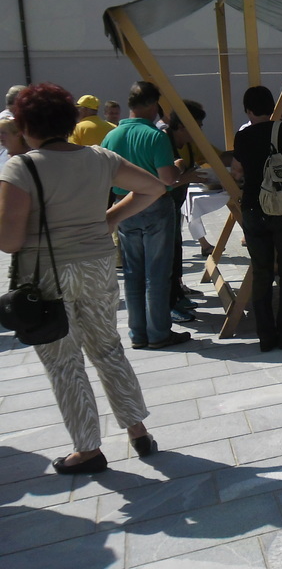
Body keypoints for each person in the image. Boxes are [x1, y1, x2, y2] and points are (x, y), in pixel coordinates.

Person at [0, 82, 166, 474]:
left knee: (64, 362)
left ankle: (88, 448)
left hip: (46, 275)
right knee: (107, 348)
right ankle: (138, 429)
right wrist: (109, 219)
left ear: (26, 125)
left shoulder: (21, 168)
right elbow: (154, 188)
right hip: (97, 264)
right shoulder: (99, 157)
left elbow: (9, 242)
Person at [102, 81, 192, 350]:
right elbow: (167, 179)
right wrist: (178, 166)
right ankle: (158, 333)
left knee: (133, 273)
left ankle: (138, 333)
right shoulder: (155, 136)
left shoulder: (111, 136)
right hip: (154, 206)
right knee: (157, 273)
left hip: (124, 206)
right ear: (153, 105)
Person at [231, 86, 282, 351]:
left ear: (248, 110)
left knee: (261, 271)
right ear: (272, 106)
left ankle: (265, 335)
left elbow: (236, 171)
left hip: (253, 206)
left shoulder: (242, 135)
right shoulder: (281, 129)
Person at [164, 100, 208, 321]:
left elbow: (214, 155)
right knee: (166, 257)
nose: (199, 131)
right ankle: (168, 305)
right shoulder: (162, 141)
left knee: (175, 249)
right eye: (197, 126)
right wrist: (186, 177)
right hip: (160, 208)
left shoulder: (190, 144)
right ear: (182, 126)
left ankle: (178, 294)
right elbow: (163, 181)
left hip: (174, 207)